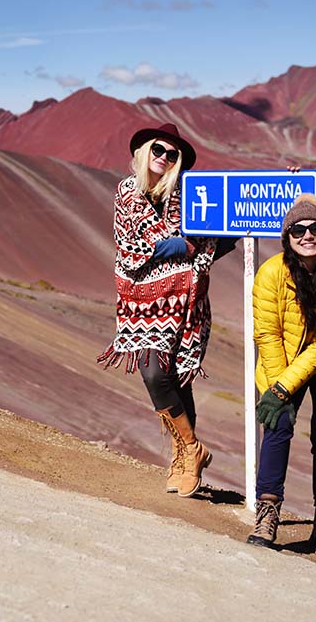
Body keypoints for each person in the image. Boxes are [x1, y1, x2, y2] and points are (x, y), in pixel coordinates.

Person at [98, 123, 234, 498]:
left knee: (171, 374)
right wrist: (184, 247)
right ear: (144, 151)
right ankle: (190, 449)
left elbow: (221, 235)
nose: (163, 158)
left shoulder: (190, 195)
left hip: (185, 300)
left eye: (172, 155)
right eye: (158, 150)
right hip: (139, 299)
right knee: (152, 370)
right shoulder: (127, 193)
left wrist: (191, 247)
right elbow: (133, 249)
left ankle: (184, 456)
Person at [246, 194, 316, 550]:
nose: (307, 235)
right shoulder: (272, 272)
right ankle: (268, 510)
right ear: (287, 237)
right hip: (280, 364)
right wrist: (278, 389)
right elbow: (267, 334)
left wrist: (285, 386)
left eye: (315, 228)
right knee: (277, 426)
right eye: (298, 230)